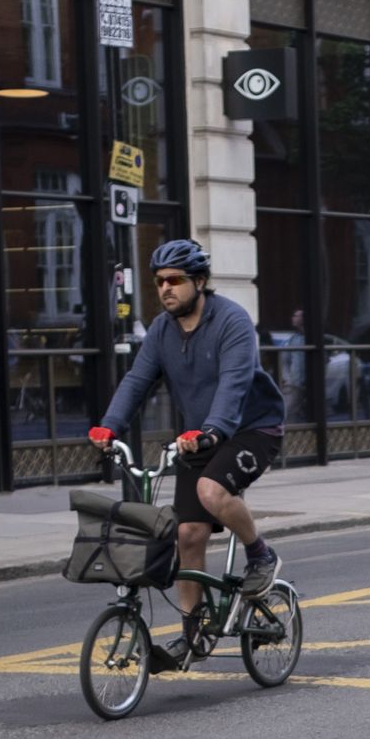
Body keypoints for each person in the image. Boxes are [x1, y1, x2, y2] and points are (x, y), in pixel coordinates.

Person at [97, 238, 286, 668]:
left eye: (176, 280)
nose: (166, 288)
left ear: (199, 282)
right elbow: (137, 381)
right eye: (160, 281)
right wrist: (109, 425)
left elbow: (234, 385)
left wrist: (213, 430)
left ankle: (261, 554)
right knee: (187, 535)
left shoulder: (232, 322)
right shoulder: (162, 331)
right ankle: (192, 634)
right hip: (199, 435)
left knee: (212, 491)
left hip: (252, 428)